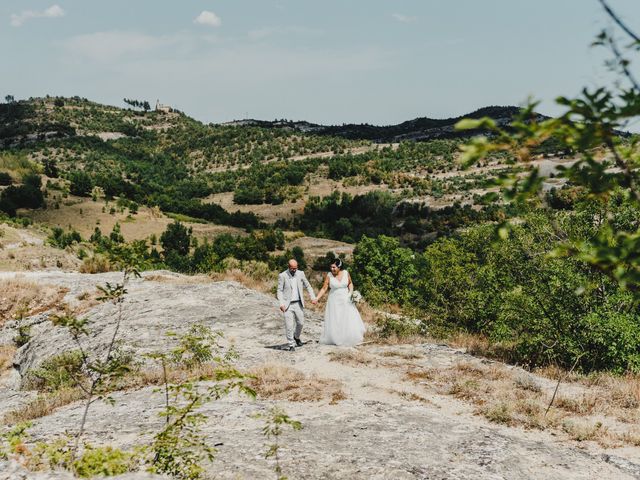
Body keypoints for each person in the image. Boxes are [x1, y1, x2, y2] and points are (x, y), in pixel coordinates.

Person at [316, 258, 365, 346]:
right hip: (334, 300)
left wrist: (350, 293)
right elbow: (324, 288)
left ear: (339, 267)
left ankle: (347, 337)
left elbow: (350, 283)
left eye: (334, 267)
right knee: (336, 318)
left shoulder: (346, 273)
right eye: (331, 267)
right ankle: (336, 338)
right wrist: (317, 298)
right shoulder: (329, 275)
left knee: (347, 318)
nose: (332, 269)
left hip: (346, 299)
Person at [277, 259, 317, 351]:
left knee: (301, 323)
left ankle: (296, 337)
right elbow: (279, 290)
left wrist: (313, 297)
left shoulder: (301, 273)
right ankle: (291, 344)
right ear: (288, 267)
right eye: (292, 268)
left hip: (298, 303)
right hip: (288, 305)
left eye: (296, 268)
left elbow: (308, 286)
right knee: (289, 325)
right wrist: (281, 303)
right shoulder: (282, 275)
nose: (294, 270)